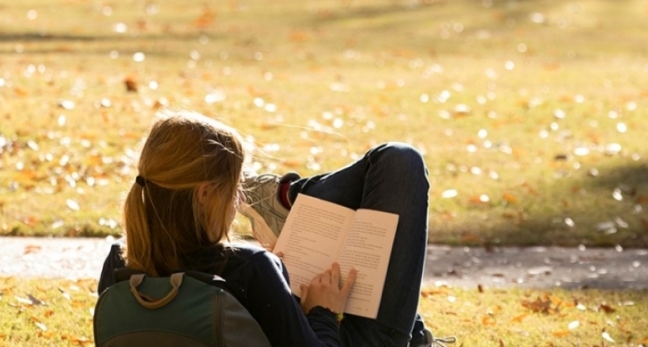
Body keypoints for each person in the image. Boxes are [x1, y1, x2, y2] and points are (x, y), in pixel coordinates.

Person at [97, 111, 455, 347]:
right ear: (205, 194)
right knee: (399, 162)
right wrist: (320, 310)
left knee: (395, 163)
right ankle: (289, 197)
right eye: (235, 188)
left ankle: (289, 198)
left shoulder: (116, 265)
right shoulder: (250, 267)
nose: (238, 201)